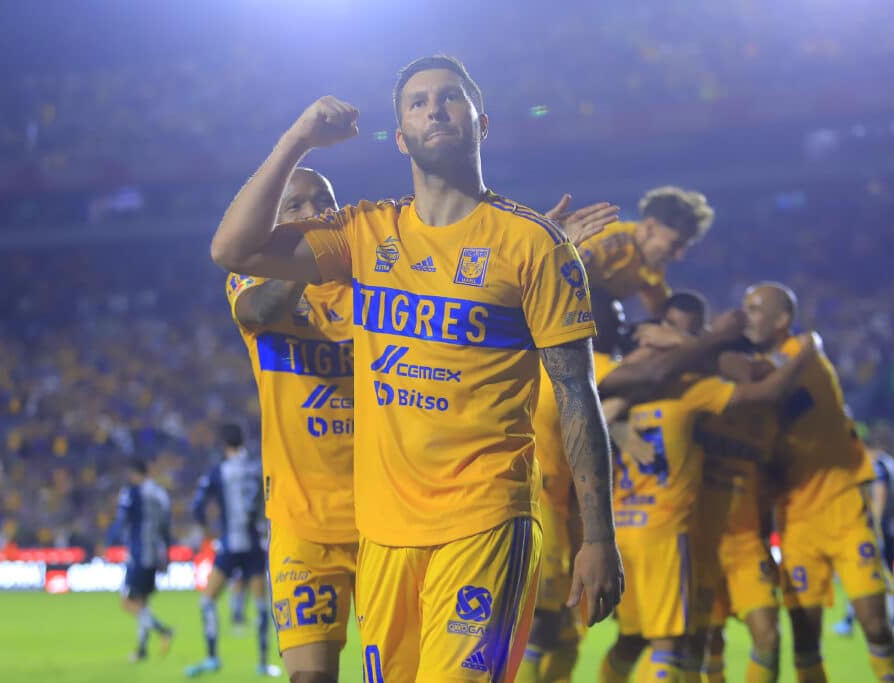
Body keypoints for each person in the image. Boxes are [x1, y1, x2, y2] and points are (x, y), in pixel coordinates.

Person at [209, 55, 624, 682]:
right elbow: (231, 251)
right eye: (418, 102)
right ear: (400, 136)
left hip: (485, 517)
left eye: (450, 98)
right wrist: (297, 140)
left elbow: (575, 391)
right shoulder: (363, 235)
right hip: (382, 533)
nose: (436, 109)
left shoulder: (534, 245)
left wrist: (599, 536)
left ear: (482, 123)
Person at [597, 310, 816, 683]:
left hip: (680, 535)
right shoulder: (690, 392)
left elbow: (760, 383)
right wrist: (811, 351)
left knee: (640, 641)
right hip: (673, 535)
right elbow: (764, 388)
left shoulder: (626, 392)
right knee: (674, 645)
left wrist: (616, 427)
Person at [226, 166, 357, 683]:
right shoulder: (250, 278)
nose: (314, 212)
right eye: (296, 206)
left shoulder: (374, 281)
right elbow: (258, 311)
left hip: (387, 516)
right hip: (302, 522)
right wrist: (304, 259)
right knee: (310, 678)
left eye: (323, 199)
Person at [742, 283, 894, 683]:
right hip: (795, 519)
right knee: (805, 636)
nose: (747, 316)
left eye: (756, 309)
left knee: (874, 622)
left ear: (782, 321)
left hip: (843, 507)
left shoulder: (804, 357)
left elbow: (767, 383)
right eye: (744, 308)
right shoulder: (761, 366)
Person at [517, 288, 626, 683]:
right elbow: (650, 374)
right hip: (542, 507)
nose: (622, 322)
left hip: (563, 511)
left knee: (566, 634)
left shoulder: (545, 364)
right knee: (543, 625)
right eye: (614, 314)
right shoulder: (590, 366)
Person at [185, 422, 278, 677]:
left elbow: (196, 506)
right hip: (255, 545)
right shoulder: (256, 469)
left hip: (230, 544)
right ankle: (263, 662)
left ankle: (213, 658)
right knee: (261, 606)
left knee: (207, 601)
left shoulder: (218, 471)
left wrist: (208, 530)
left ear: (223, 444)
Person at [578, 187, 715, 317]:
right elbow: (565, 273)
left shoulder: (650, 266)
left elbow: (660, 310)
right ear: (650, 227)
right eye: (675, 244)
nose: (679, 256)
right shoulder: (606, 242)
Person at [834, 423, 894, 639]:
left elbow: (880, 494)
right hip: (890, 525)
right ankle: (890, 622)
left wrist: (874, 524)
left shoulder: (876, 465)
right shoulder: (889, 463)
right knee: (882, 573)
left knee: (866, 572)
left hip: (876, 527)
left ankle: (887, 622)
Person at [106, 458, 174, 663]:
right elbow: (166, 528)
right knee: (142, 603)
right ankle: (142, 650)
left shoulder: (132, 493)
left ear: (134, 473)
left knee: (127, 602)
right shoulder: (160, 494)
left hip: (138, 554)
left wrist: (109, 541)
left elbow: (122, 519)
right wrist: (167, 555)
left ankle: (163, 630)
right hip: (154, 554)